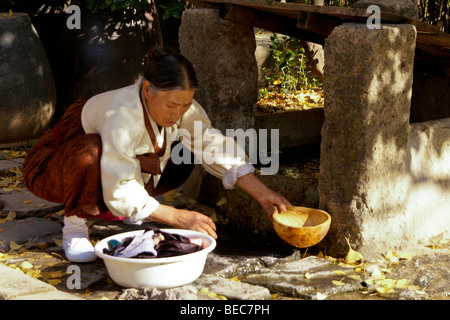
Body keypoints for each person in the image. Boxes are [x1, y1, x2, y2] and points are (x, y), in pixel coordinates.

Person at [23, 48, 291, 263]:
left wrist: (261, 193)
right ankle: (74, 225)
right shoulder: (122, 113)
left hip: (110, 168)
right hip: (52, 167)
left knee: (185, 153)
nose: (178, 113)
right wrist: (177, 216)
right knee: (91, 152)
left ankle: (134, 208)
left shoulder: (180, 106)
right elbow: (117, 182)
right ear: (148, 89)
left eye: (185, 104)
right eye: (172, 105)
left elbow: (209, 142)